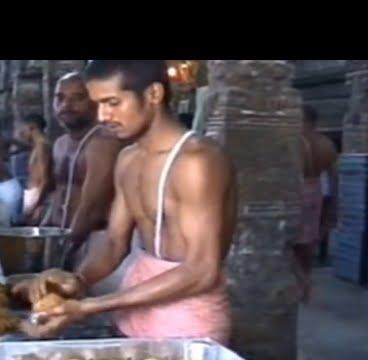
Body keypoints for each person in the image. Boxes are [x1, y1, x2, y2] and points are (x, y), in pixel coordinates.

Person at [13, 60, 237, 344]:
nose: (103, 115)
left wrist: (90, 306)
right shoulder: (128, 159)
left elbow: (202, 270)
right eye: (98, 104)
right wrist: (78, 281)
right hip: (133, 311)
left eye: (113, 102)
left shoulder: (197, 162)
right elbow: (114, 244)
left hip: (188, 320)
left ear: (154, 94)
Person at [41, 72, 124, 270]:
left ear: (95, 101)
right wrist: (41, 232)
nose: (66, 105)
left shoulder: (104, 143)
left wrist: (64, 250)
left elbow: (92, 207)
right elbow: (58, 192)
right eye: (60, 98)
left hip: (94, 244)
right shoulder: (60, 144)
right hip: (62, 239)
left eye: (77, 98)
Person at [294, 105, 338, 302]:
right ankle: (306, 278)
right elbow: (334, 176)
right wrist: (334, 205)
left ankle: (302, 282)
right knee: (310, 241)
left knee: (292, 242)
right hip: (318, 191)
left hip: (298, 191)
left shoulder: (298, 143)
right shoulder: (326, 144)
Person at [16, 114, 54, 225]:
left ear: (32, 127)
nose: (21, 133)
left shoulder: (43, 147)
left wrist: (36, 205)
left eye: (23, 129)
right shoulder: (37, 146)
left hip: (38, 196)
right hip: (33, 194)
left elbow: (45, 179)